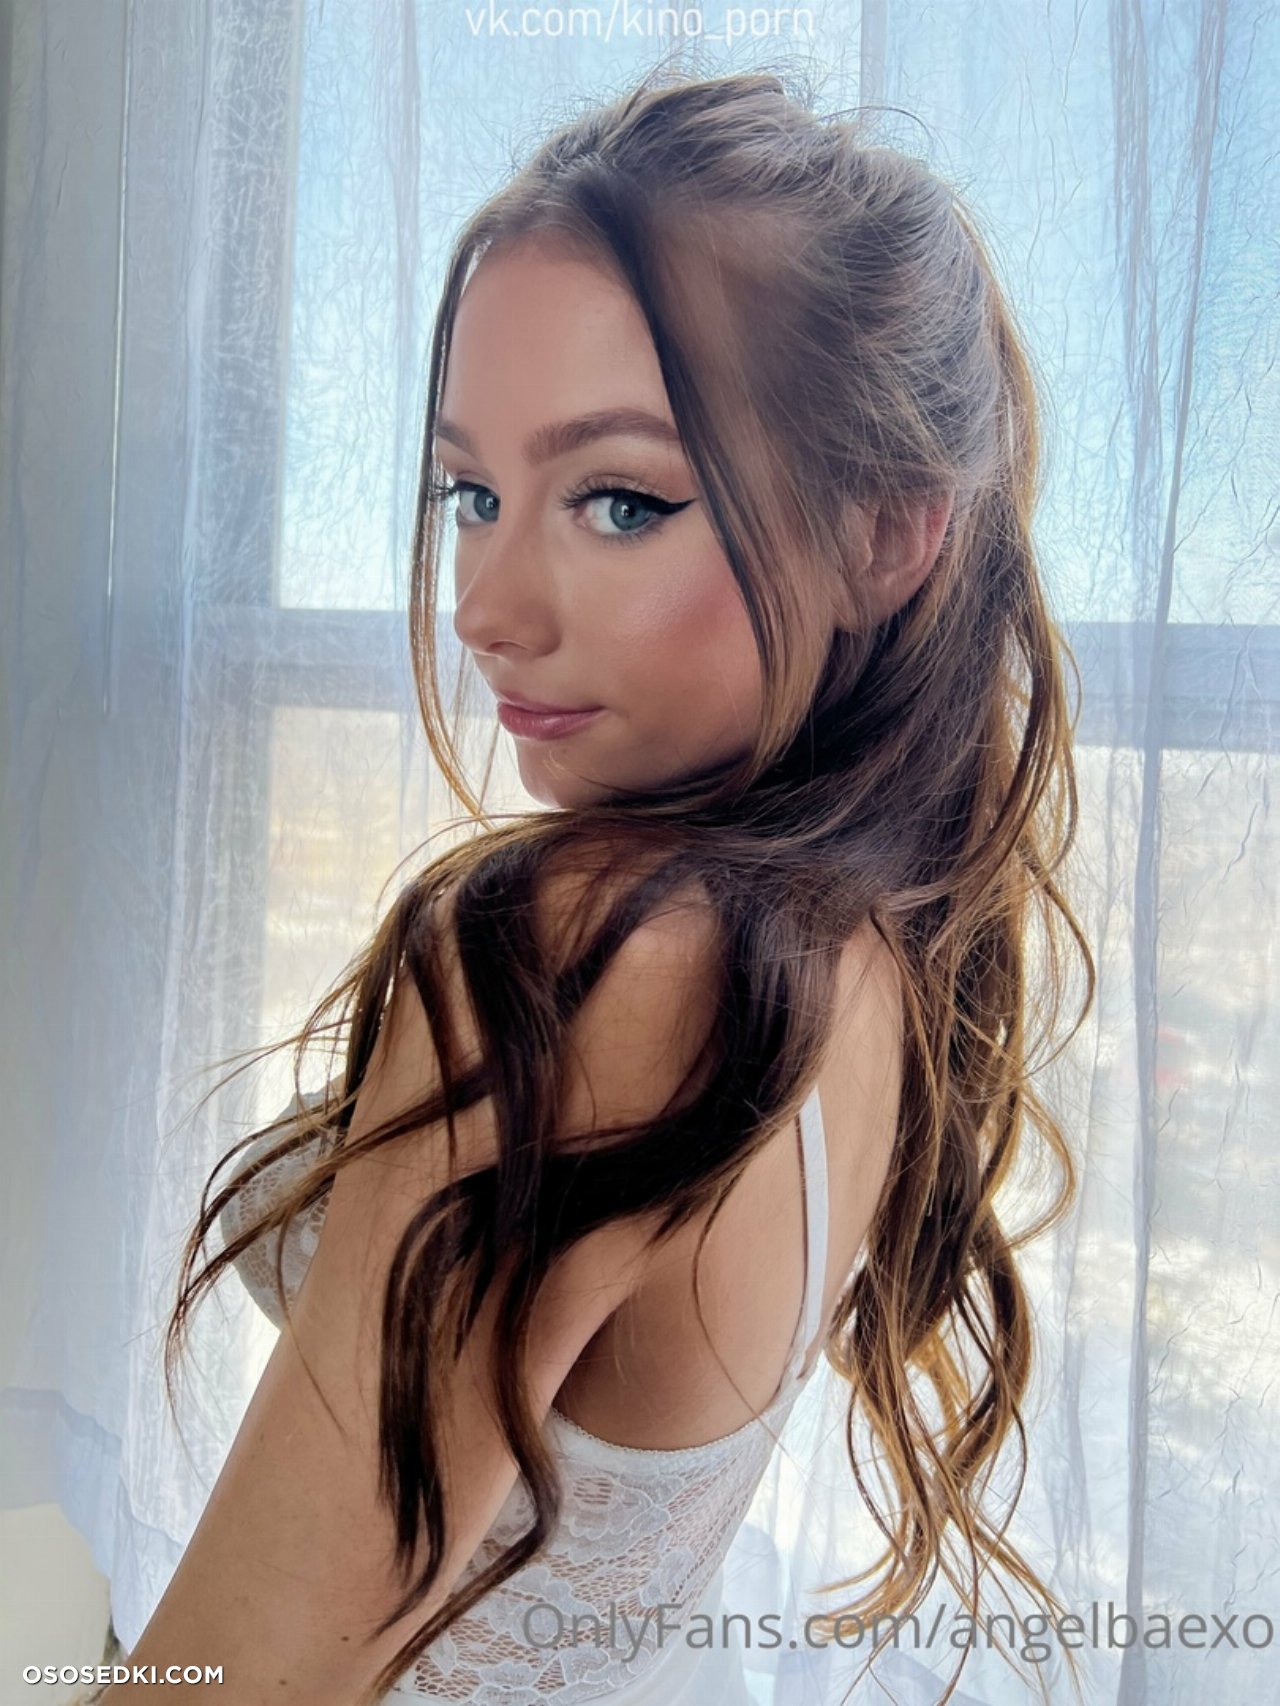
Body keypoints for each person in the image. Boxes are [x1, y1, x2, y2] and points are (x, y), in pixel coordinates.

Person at [96, 65, 1095, 1706]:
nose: (486, 605)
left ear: (885, 534)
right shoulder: (866, 948)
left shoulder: (584, 954)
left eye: (620, 500)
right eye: (470, 493)